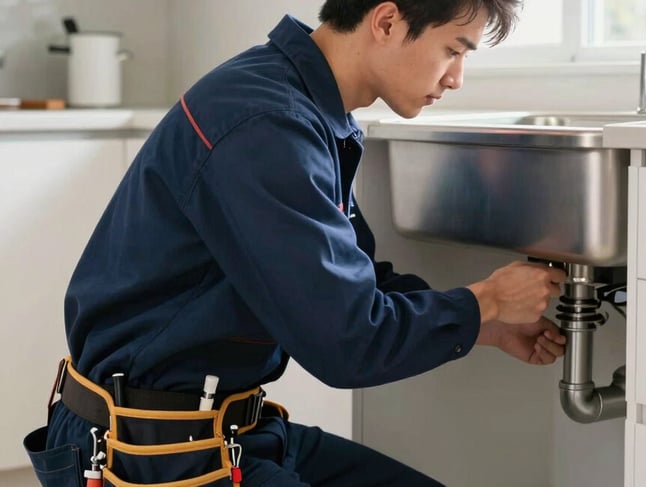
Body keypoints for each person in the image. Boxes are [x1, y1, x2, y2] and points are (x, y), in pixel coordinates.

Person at [24, 1, 568, 486]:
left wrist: (482, 325)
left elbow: (355, 282)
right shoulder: (266, 123)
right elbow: (348, 344)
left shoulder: (299, 105)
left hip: (225, 430)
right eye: (453, 50)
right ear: (386, 20)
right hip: (147, 452)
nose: (456, 79)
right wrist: (485, 301)